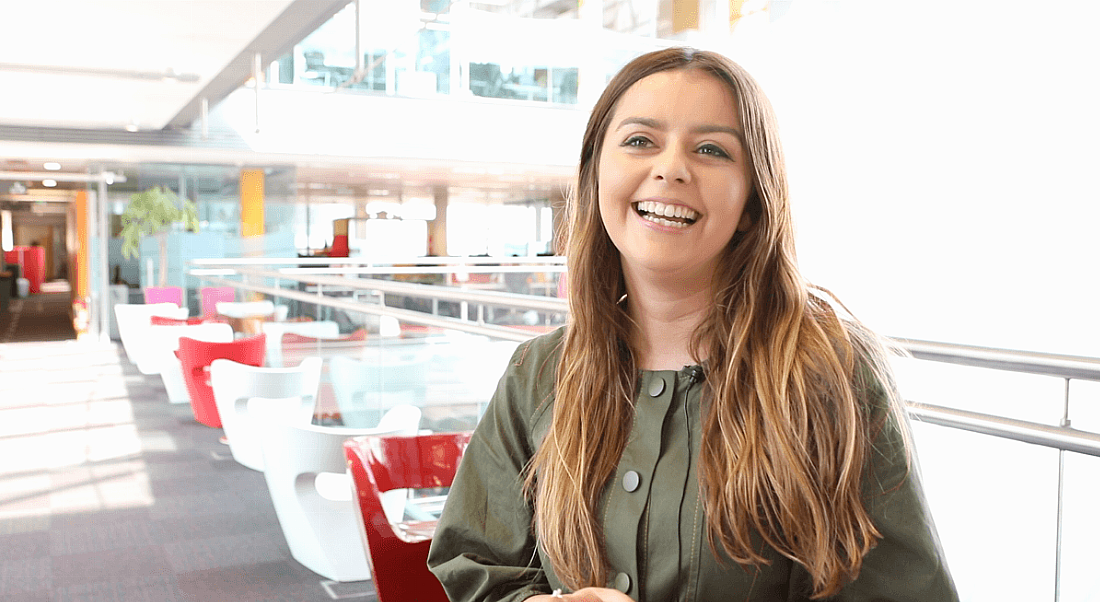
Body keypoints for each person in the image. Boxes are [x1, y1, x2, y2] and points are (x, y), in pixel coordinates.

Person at [427, 47, 958, 602]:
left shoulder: (832, 371)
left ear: (753, 201)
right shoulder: (537, 374)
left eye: (710, 149)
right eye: (640, 141)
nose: (671, 168)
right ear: (595, 176)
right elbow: (475, 563)